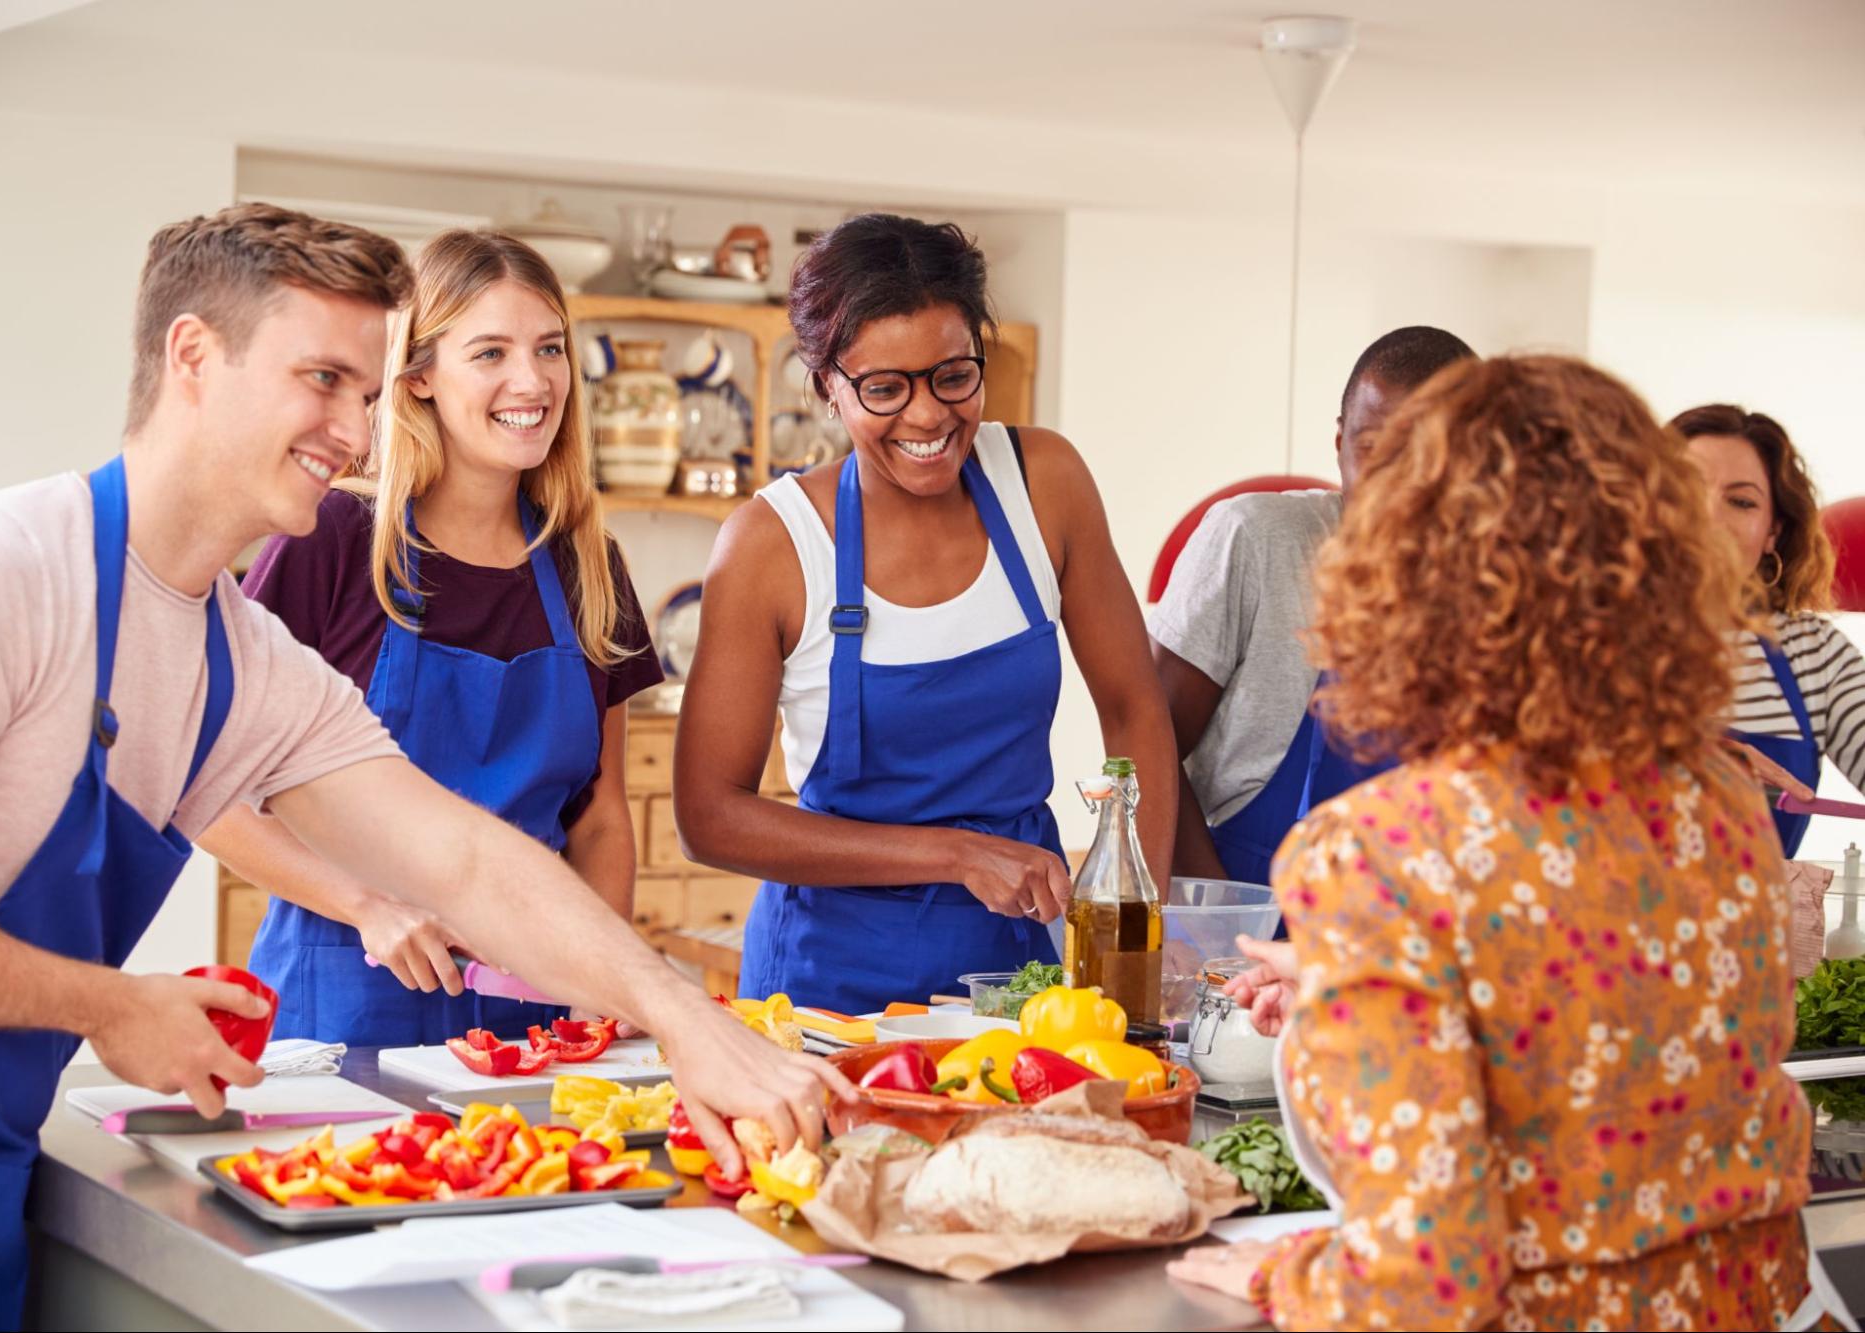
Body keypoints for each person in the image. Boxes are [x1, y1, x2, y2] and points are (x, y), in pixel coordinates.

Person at [0, 203, 848, 1332]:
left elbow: (466, 860)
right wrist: (108, 1003)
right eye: (323, 379)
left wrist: (682, 1021)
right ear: (194, 355)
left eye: (371, 393)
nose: (357, 429)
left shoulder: (234, 656)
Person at [1166, 356, 1852, 1330]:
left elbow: (1425, 1287)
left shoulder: (1376, 853)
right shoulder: (1723, 806)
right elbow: (1596, 1041)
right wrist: (1358, 979)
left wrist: (1285, 1276)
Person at [673, 213, 1177, 1014]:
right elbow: (710, 817)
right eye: (883, 388)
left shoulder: (1042, 482)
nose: (927, 417)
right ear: (826, 384)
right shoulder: (773, 544)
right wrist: (955, 854)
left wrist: (1132, 923)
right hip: (829, 985)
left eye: (953, 375)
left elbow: (1132, 707)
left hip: (1021, 967)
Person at [200, 230, 662, 1044]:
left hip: (533, 1003)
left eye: (549, 348)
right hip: (345, 995)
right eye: (489, 352)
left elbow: (599, 818)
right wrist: (365, 903)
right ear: (416, 377)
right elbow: (205, 785)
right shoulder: (331, 540)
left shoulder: (588, 564)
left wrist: (605, 983)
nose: (533, 380)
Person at [1150, 326, 1475, 884]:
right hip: (1250, 906)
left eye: (1427, 454)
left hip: (1412, 928)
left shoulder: (1502, 591)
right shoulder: (1257, 541)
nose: (1395, 482)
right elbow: (1145, 747)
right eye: (1372, 450)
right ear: (1340, 442)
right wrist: (1226, 932)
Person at [1675, 403, 1865, 859]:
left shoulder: (1813, 653)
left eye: (1741, 501)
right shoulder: (1582, 637)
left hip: (1753, 932)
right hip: (1593, 928)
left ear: (1771, 534)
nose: (1710, 518)